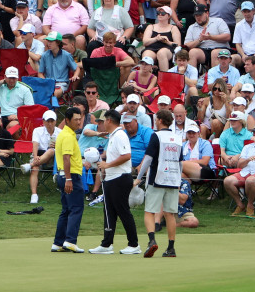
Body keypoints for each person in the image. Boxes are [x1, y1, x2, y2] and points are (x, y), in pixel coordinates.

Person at [88, 109, 141, 255]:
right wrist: (104, 166)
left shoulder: (120, 135)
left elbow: (126, 155)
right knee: (109, 212)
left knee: (123, 211)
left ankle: (134, 244)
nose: (103, 123)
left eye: (104, 120)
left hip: (120, 178)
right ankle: (106, 244)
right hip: (111, 179)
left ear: (109, 120)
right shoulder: (113, 136)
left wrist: (107, 165)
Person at [136, 109, 182, 258]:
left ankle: (151, 241)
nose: (155, 121)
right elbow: (180, 162)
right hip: (173, 179)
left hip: (157, 178)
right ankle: (171, 247)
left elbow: (148, 159)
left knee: (149, 211)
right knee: (170, 214)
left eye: (156, 119)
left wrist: (139, 176)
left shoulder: (156, 136)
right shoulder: (177, 138)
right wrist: (179, 179)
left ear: (160, 120)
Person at [222, 123, 255, 217]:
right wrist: (247, 160)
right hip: (246, 172)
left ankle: (250, 205)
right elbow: (239, 165)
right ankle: (240, 204)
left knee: (250, 180)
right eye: (253, 132)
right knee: (227, 181)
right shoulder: (247, 147)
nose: (254, 135)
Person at [52, 106, 86, 253]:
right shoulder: (67, 136)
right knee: (76, 208)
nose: (79, 122)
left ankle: (58, 243)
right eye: (76, 120)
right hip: (70, 176)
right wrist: (69, 179)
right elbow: (66, 158)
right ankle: (70, 241)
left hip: (64, 175)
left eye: (80, 119)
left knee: (66, 209)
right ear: (67, 120)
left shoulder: (67, 134)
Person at [23, 109, 60, 204]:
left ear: (56, 121)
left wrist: (58, 146)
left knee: (51, 151)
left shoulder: (60, 132)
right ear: (43, 121)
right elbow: (35, 144)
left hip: (54, 159)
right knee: (35, 168)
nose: (50, 123)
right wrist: (35, 156)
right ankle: (34, 194)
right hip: (39, 156)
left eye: (52, 121)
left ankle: (30, 165)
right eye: (48, 121)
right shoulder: (37, 130)